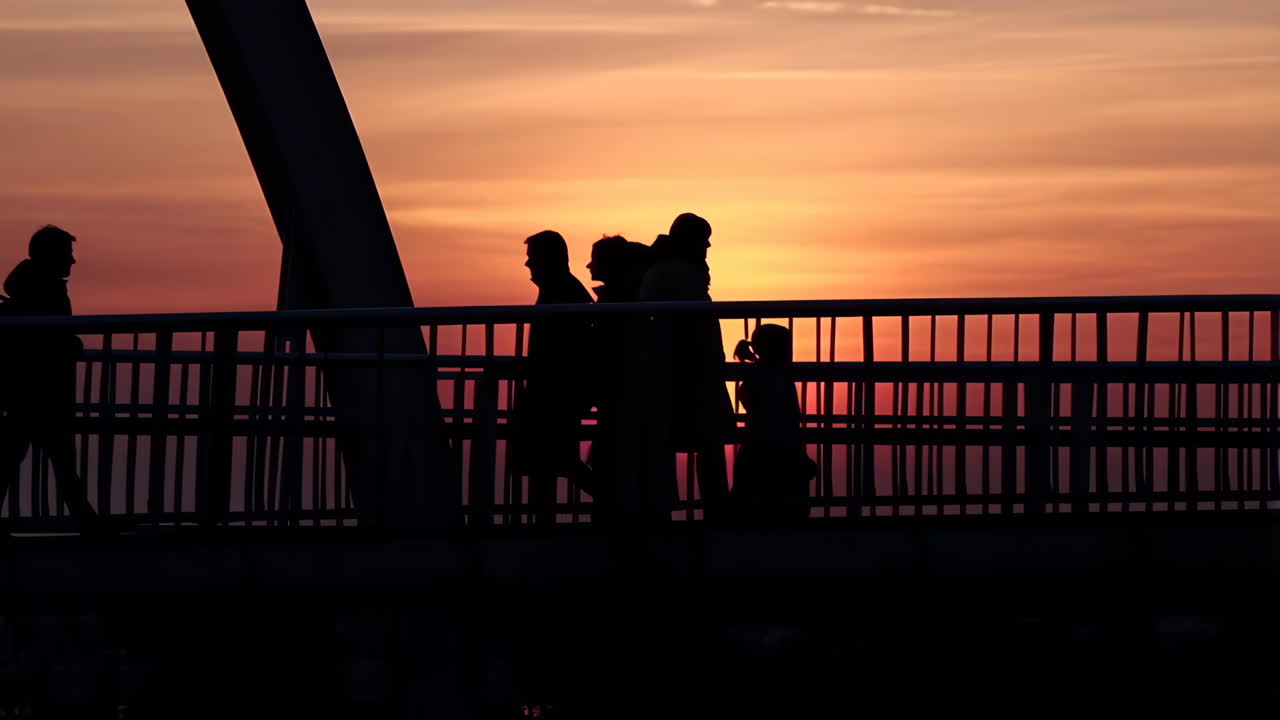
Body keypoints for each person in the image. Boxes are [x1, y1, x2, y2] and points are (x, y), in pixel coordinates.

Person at [0, 225, 97, 530]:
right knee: (62, 463)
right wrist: (71, 344)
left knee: (13, 460)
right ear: (53, 256)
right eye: (68, 253)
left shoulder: (30, 288)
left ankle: (89, 523)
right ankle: (90, 526)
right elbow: (48, 340)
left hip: (24, 393)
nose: (73, 261)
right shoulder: (46, 291)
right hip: (41, 393)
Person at [638, 213, 735, 516]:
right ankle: (716, 511)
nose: (707, 246)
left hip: (678, 371)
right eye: (703, 239)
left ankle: (666, 510)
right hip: (689, 373)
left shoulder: (662, 270)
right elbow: (693, 325)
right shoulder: (679, 273)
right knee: (708, 441)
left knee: (678, 442)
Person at [511, 230, 593, 523]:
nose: (527, 264)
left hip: (554, 395)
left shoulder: (562, 293)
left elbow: (567, 349)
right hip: (556, 393)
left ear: (548, 259)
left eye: (532, 257)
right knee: (552, 462)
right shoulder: (563, 290)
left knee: (549, 462)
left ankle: (618, 505)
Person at [584, 236, 652, 509]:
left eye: (596, 259)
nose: (589, 265)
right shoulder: (630, 302)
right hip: (622, 399)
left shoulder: (618, 306)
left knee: (614, 467)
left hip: (620, 399)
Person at [732, 324, 816, 524]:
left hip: (755, 447)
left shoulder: (755, 375)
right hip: (777, 449)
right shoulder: (777, 377)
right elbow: (783, 420)